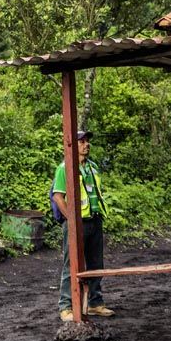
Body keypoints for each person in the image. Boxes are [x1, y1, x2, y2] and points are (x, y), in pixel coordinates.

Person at [52, 129, 114, 322]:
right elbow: (58, 196)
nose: (86, 144)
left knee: (96, 264)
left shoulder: (93, 167)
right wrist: (71, 219)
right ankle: (66, 306)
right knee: (71, 264)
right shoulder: (64, 168)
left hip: (94, 220)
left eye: (87, 141)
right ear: (73, 145)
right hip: (76, 224)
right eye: (82, 141)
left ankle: (95, 302)